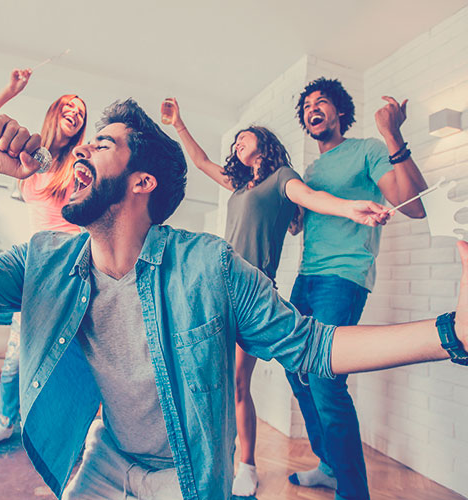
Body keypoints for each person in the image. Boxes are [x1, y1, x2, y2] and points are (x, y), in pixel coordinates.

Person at [0, 98, 468, 500]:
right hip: (102, 458)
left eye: (102, 144)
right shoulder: (47, 258)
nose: (81, 154)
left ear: (141, 181)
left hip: (187, 476)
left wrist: (457, 333)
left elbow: (313, 345)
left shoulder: (209, 263)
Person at [162, 98, 388, 496]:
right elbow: (200, 161)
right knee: (205, 377)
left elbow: (312, 199)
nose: (236, 146)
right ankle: (213, 462)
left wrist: (351, 209)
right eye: (234, 144)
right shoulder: (238, 184)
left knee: (236, 379)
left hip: (252, 293)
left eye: (243, 139)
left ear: (263, 145)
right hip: (216, 286)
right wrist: (178, 124)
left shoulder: (282, 177)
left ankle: (246, 466)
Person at [285, 77, 428, 499]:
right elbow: (306, 223)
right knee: (296, 368)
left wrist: (392, 134)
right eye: (308, 104)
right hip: (306, 276)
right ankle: (329, 464)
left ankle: (353, 491)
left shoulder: (367, 148)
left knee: (326, 379)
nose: (314, 108)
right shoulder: (311, 170)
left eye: (322, 102)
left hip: (343, 279)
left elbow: (413, 205)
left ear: (339, 112)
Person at [0, 68, 88, 453]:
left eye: (82, 112)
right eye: (70, 106)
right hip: (36, 264)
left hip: (74, 265)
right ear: (55, 111)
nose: (76, 112)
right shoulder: (33, 155)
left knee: (75, 357)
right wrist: (10, 89)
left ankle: (79, 439)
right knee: (17, 355)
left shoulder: (78, 161)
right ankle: (5, 422)